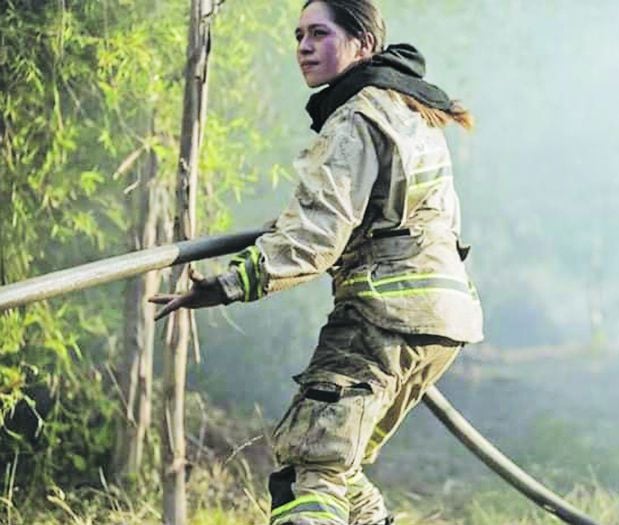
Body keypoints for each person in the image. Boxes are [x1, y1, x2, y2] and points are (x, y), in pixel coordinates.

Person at [151, 1, 484, 523]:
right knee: (340, 466)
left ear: (364, 44)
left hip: (380, 318)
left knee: (312, 468)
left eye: (319, 34)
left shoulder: (357, 115)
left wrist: (225, 284)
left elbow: (316, 236)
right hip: (444, 322)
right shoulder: (412, 109)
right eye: (299, 35)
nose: (303, 47)